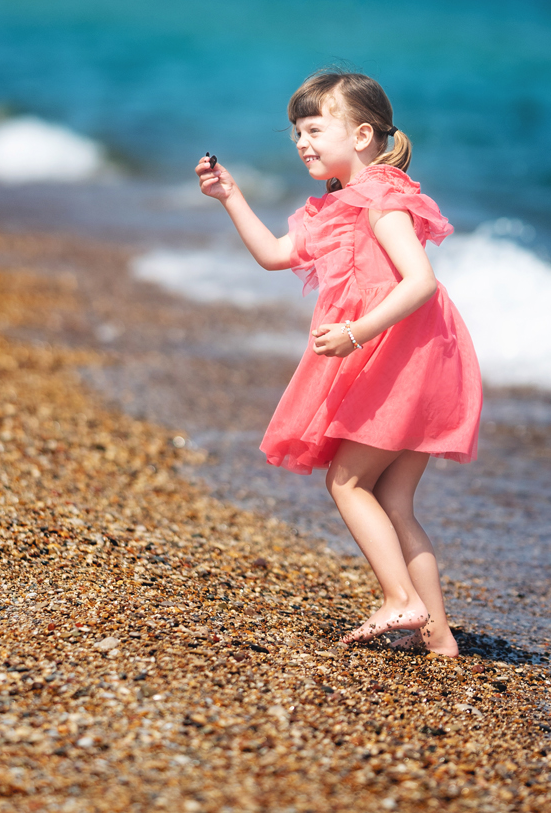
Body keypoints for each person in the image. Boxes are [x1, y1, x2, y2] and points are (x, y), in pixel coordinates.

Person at [196, 70, 482, 655]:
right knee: (394, 499)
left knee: (348, 481)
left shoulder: (382, 196)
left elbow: (420, 282)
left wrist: (355, 332)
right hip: (414, 356)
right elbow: (276, 255)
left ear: (362, 134)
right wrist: (231, 196)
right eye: (296, 132)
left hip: (404, 356)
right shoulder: (334, 207)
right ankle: (440, 638)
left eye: (314, 129)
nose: (302, 142)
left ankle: (400, 600)